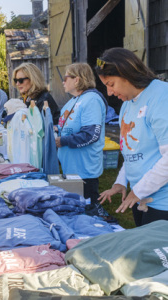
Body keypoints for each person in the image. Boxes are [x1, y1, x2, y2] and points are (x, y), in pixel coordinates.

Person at [96, 47, 168, 226]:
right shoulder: (127, 105)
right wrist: (121, 182)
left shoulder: (161, 96)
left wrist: (138, 191)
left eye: (111, 84)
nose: (110, 93)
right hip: (138, 197)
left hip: (162, 202)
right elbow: (131, 152)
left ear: (126, 73)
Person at [55, 63, 107, 205]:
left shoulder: (92, 99)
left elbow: (91, 135)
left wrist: (63, 141)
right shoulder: (72, 101)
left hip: (84, 170)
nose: (63, 81)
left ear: (77, 79)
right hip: (70, 167)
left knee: (88, 212)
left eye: (66, 78)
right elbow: (67, 128)